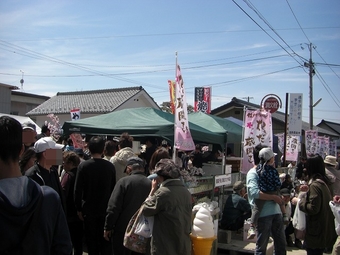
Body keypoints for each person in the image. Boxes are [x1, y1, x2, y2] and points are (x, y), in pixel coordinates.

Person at [0, 116, 72, 254]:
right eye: (56, 151)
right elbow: (63, 247)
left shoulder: (51, 174)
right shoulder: (48, 197)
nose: (60, 155)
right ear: (21, 150)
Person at [74, 136, 116, 255]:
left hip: (88, 210)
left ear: (89, 149)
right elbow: (113, 189)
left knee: (91, 242)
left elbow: (78, 190)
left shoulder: (84, 166)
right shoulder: (110, 167)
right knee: (105, 242)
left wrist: (78, 208)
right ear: (103, 149)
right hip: (105, 209)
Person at [142, 158, 192, 255]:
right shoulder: (186, 192)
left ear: (160, 176)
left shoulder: (163, 193)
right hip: (183, 243)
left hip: (165, 245)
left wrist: (152, 191)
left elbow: (146, 210)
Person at [104, 157, 151, 255]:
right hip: (143, 231)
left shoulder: (123, 182)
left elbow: (113, 207)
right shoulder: (151, 184)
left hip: (123, 229)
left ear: (129, 168)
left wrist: (108, 226)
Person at [246, 144, 286, 255]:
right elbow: (254, 193)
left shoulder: (271, 171)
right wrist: (273, 197)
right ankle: (251, 227)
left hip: (276, 212)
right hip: (263, 214)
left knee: (281, 246)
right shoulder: (253, 173)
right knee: (261, 248)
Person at [294, 154, 337, 255]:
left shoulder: (315, 185)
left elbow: (313, 208)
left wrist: (299, 202)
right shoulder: (325, 182)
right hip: (324, 229)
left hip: (316, 231)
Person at [25, 136, 66, 210]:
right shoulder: (31, 175)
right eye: (56, 151)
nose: (60, 154)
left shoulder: (54, 171)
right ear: (45, 154)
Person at [61, 151, 83, 255]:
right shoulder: (81, 173)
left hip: (69, 214)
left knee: (68, 241)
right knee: (78, 242)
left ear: (70, 163)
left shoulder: (67, 176)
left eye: (64, 162)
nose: (63, 164)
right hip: (80, 214)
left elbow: (63, 193)